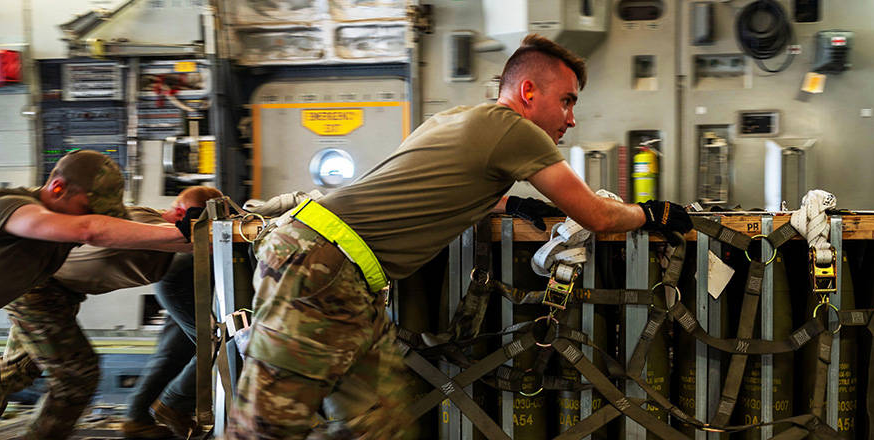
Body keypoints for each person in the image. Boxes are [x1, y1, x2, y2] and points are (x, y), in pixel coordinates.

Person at [226, 34, 692, 439]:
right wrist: (651, 213)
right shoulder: (518, 132)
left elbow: (439, 185)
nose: (571, 119)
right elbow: (595, 215)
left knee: (377, 426)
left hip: (339, 270)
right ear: (528, 91)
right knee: (266, 429)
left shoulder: (456, 119)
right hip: (323, 267)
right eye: (567, 101)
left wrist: (514, 203)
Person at [0, 150, 193, 439]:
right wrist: (184, 233)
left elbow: (108, 230)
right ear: (57, 188)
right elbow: (88, 230)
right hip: (35, 298)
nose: (92, 215)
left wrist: (200, 240)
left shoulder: (65, 223)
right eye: (87, 207)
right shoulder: (5, 205)